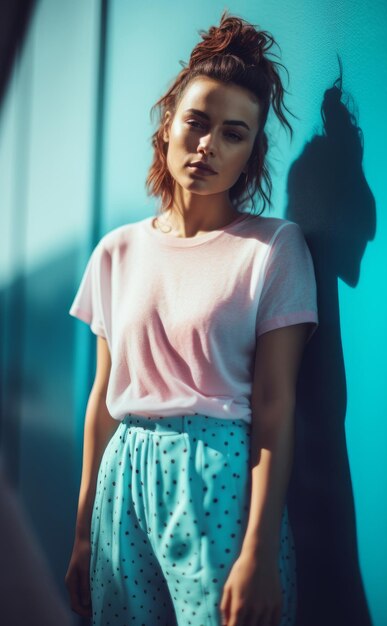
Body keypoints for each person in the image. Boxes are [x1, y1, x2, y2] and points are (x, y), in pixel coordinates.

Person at [64, 10, 319, 626]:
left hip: (218, 480)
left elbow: (277, 405)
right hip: (122, 480)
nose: (207, 145)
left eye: (233, 134)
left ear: (251, 152)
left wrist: (257, 549)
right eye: (197, 123)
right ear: (168, 126)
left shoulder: (272, 248)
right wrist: (80, 534)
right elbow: (103, 399)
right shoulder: (116, 251)